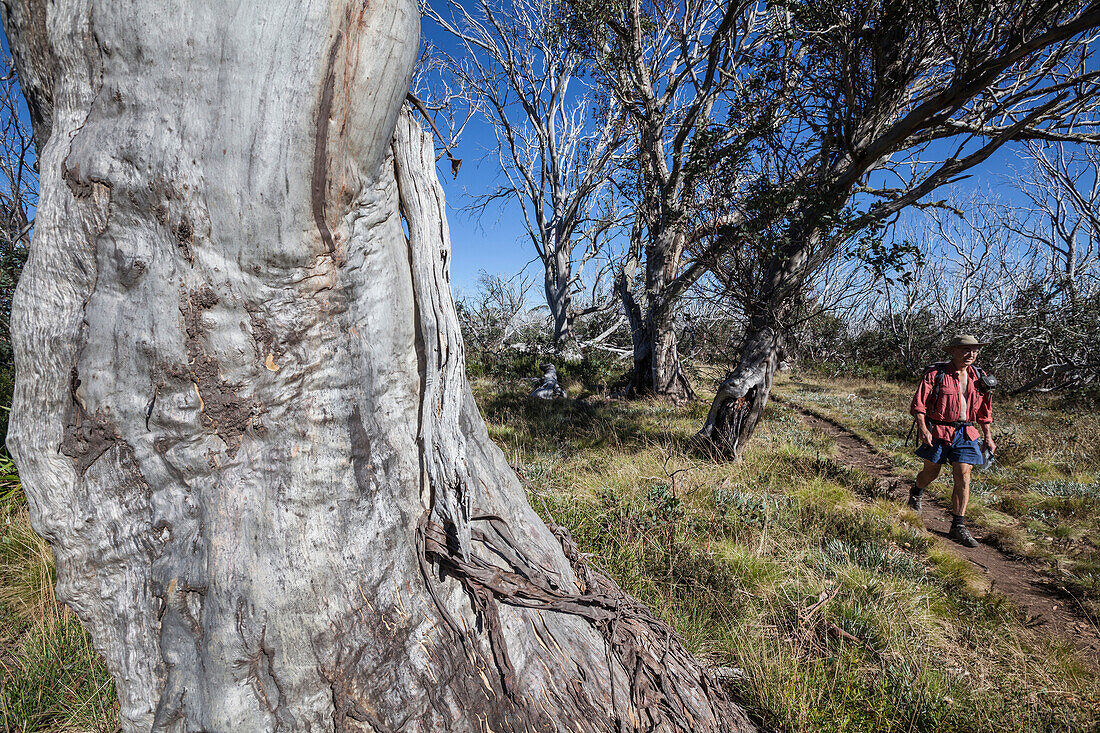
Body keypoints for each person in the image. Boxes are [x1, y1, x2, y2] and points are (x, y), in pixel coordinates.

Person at [908, 334, 996, 547]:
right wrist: (923, 428)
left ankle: (959, 525)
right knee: (931, 472)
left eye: (974, 350)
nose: (971, 354)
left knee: (964, 475)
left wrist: (988, 437)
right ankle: (916, 491)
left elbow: (985, 410)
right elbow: (919, 404)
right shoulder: (936, 373)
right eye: (966, 350)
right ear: (953, 351)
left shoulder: (979, 377)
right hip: (938, 430)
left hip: (966, 433)